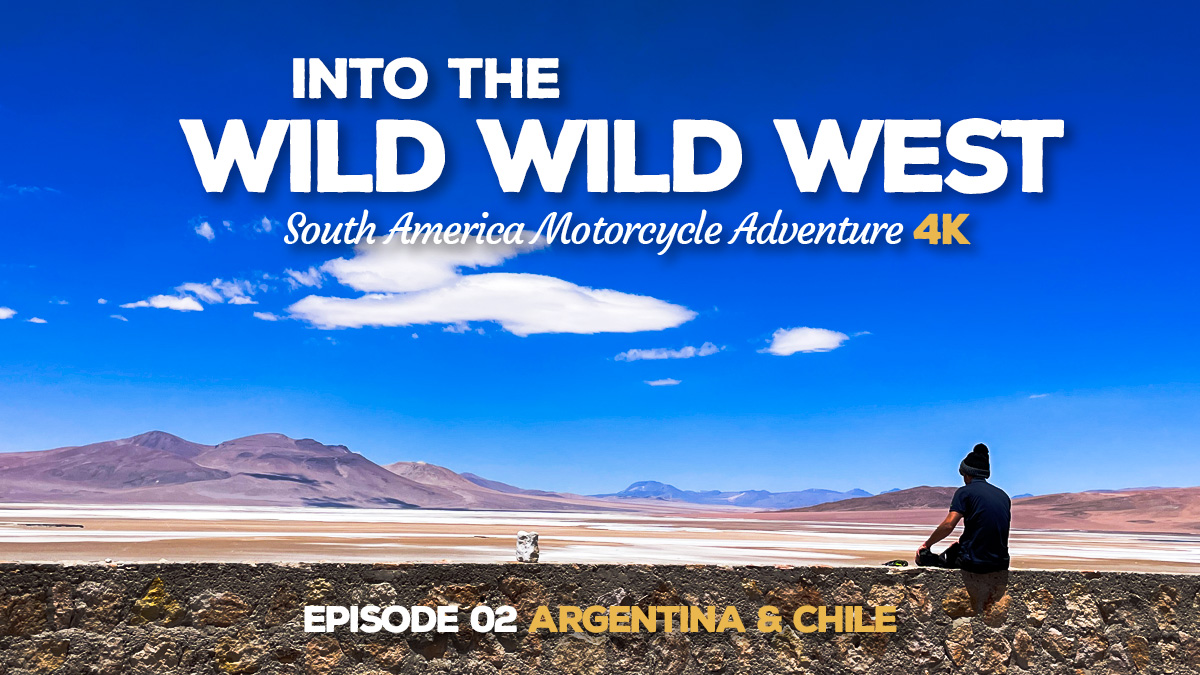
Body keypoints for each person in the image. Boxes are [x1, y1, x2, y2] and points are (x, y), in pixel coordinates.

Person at [915, 443, 1011, 573]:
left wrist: (927, 545)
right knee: (955, 549)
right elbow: (988, 524)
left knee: (926, 558)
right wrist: (962, 542)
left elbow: (948, 525)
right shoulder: (1003, 496)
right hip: (1001, 563)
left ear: (967, 474)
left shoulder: (965, 492)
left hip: (974, 562)